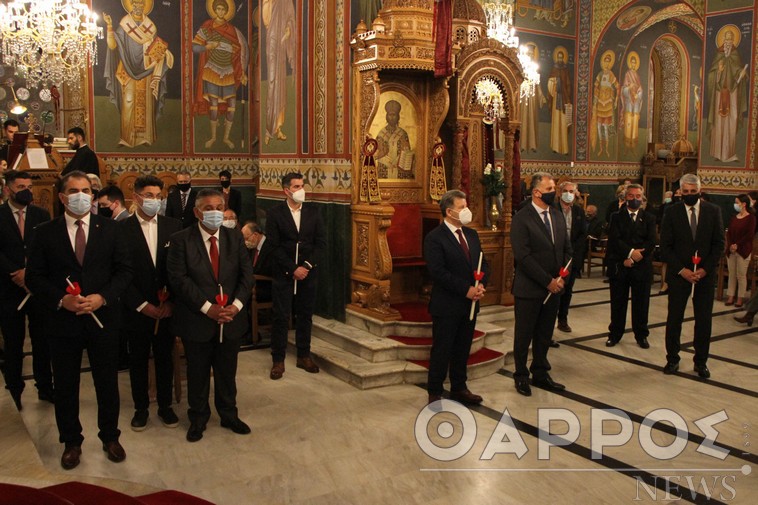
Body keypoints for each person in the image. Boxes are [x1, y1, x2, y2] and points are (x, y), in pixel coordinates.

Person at [26, 171, 133, 470]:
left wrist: (103, 297)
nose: (82, 195)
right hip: (63, 322)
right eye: (74, 191)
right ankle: (71, 442)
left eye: (86, 190)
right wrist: (62, 299)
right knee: (66, 385)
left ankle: (110, 437)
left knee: (106, 383)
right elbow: (34, 277)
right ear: (62, 197)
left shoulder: (110, 229)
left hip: (102, 319)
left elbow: (125, 271)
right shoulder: (44, 232)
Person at [166, 189, 254, 442]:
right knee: (198, 372)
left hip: (231, 318)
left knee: (227, 372)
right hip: (197, 320)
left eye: (219, 208)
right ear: (197, 212)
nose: (215, 212)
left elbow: (246, 275)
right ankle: (198, 418)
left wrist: (236, 306)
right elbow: (179, 279)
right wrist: (207, 308)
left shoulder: (234, 237)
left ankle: (229, 414)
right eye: (208, 208)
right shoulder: (181, 240)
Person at [121, 175, 182, 432]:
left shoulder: (173, 226)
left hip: (166, 308)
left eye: (158, 196)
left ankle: (165, 406)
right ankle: (141, 408)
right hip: (137, 309)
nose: (154, 201)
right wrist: (141, 304)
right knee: (137, 359)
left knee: (165, 358)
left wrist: (172, 303)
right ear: (136, 197)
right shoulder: (121, 229)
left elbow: (179, 269)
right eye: (149, 196)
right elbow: (120, 273)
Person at [424, 190, 489, 405]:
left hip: (470, 304)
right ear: (449, 212)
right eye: (462, 207)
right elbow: (438, 272)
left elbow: (482, 263)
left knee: (463, 348)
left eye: (466, 206)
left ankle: (459, 387)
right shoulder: (435, 237)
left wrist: (481, 285)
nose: (466, 210)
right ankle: (435, 390)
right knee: (442, 349)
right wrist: (465, 289)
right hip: (447, 304)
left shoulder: (472, 234)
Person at [511, 173, 572, 397]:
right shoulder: (522, 218)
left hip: (555, 287)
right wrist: (547, 281)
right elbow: (523, 256)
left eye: (554, 188)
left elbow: (566, 249)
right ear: (536, 192)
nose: (554, 192)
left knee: (545, 333)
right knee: (524, 334)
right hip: (530, 288)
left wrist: (562, 277)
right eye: (549, 189)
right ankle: (521, 374)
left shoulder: (556, 215)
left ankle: (540, 371)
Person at [659, 174, 725, 379]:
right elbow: (665, 247)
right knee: (674, 319)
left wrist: (705, 269)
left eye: (693, 191)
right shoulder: (671, 212)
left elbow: (719, 244)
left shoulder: (713, 211)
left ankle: (701, 361)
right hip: (679, 275)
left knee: (704, 320)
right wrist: (682, 270)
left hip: (704, 276)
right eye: (686, 192)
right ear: (680, 192)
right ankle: (672, 359)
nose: (689, 195)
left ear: (699, 191)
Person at [0, 171, 53, 410]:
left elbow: (46, 248)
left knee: (42, 340)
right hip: (8, 287)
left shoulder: (41, 215)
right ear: (8, 189)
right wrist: (15, 272)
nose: (27, 191)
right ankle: (15, 388)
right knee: (13, 342)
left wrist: (29, 273)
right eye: (21, 186)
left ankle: (45, 386)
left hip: (37, 288)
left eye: (29, 187)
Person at [266, 172, 326, 380]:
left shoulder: (313, 212)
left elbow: (320, 243)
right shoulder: (275, 213)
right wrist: (292, 268)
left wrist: (306, 266)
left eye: (302, 185)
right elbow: (273, 246)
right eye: (297, 186)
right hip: (284, 273)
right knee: (281, 316)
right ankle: (278, 360)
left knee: (305, 315)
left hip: (308, 273)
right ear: (287, 190)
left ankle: (304, 355)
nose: (301, 190)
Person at [103, 0, 174, 147]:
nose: (137, 7)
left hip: (147, 70)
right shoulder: (124, 25)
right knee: (128, 103)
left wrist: (161, 53)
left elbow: (155, 48)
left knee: (146, 103)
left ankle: (146, 138)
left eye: (140, 4)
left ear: (144, 6)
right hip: (128, 70)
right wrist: (109, 26)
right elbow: (113, 46)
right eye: (134, 3)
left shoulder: (150, 27)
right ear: (131, 5)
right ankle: (126, 138)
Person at [605, 184, 656, 348]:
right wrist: (629, 253)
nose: (635, 199)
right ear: (625, 197)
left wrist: (637, 256)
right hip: (621, 264)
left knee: (641, 303)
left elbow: (651, 241)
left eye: (638, 196)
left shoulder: (649, 218)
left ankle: (641, 335)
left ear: (642, 198)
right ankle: (615, 334)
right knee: (618, 302)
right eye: (631, 196)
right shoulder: (616, 217)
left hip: (642, 266)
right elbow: (614, 239)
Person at [193, 0, 249, 149]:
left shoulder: (232, 30)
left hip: (228, 71)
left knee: (232, 106)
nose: (221, 12)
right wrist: (207, 46)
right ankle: (213, 137)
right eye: (218, 9)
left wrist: (242, 72)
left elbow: (239, 54)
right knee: (214, 105)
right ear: (214, 10)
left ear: (226, 12)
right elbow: (194, 47)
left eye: (223, 9)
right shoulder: (207, 27)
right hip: (212, 71)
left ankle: (226, 138)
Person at [706, 25, 748, 162]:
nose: (728, 41)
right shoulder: (718, 54)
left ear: (733, 41)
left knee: (732, 120)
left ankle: (729, 154)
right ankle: (718, 153)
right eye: (727, 38)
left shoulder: (735, 55)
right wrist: (718, 71)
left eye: (731, 39)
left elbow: (738, 71)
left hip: (732, 92)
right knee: (718, 123)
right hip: (719, 93)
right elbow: (711, 75)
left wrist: (741, 74)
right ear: (723, 40)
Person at [262, 0, 296, 145]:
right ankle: (269, 128)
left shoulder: (286, 2)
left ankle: (279, 127)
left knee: (281, 86)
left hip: (281, 44)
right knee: (272, 83)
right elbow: (266, 20)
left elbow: (291, 19)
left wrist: (288, 29)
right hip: (272, 42)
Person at [555, 181, 586, 334]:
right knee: (555, 290)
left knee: (567, 290)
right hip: (556, 256)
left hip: (571, 257)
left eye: (571, 191)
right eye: (566, 191)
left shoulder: (579, 211)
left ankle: (563, 319)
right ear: (560, 193)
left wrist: (574, 255)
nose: (568, 194)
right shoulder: (553, 209)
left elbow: (582, 235)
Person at [724, 194, 755, 307]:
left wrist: (737, 245)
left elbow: (749, 234)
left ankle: (740, 298)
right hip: (732, 250)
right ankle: (730, 296)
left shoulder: (751, 218)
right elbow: (729, 233)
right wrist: (731, 245)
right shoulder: (734, 217)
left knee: (741, 275)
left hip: (743, 249)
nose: (735, 204)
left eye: (737, 202)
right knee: (732, 274)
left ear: (744, 204)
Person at [375, 100, 414, 179]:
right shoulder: (381, 134)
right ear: (387, 116)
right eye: (390, 115)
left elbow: (407, 154)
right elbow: (376, 153)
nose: (392, 117)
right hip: (384, 169)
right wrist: (385, 159)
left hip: (399, 170)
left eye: (394, 115)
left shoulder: (403, 134)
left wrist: (398, 160)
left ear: (398, 116)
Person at [519, 43, 546, 153]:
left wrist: (541, 96)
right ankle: (522, 144)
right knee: (522, 120)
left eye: (532, 54)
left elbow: (538, 85)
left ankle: (532, 144)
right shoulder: (520, 68)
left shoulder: (535, 70)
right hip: (523, 97)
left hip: (533, 98)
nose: (530, 55)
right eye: (528, 53)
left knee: (532, 120)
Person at [591, 50, 619, 158]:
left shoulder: (611, 75)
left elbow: (618, 87)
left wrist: (616, 99)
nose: (607, 64)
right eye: (605, 61)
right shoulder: (600, 74)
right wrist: (595, 100)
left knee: (605, 127)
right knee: (598, 127)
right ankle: (600, 149)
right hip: (599, 104)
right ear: (603, 62)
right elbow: (596, 87)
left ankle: (606, 149)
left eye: (608, 61)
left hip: (607, 104)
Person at [547, 47, 572, 155]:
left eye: (562, 57)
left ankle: (564, 149)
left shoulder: (565, 70)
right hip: (556, 98)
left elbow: (568, 84)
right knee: (556, 123)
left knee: (564, 123)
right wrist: (554, 82)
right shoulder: (554, 69)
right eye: (559, 57)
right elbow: (550, 83)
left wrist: (567, 95)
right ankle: (555, 147)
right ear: (556, 58)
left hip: (564, 98)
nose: (560, 59)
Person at [620, 52, 643, 155]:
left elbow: (640, 88)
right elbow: (624, 89)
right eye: (632, 62)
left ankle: (633, 146)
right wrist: (629, 88)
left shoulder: (637, 76)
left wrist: (638, 94)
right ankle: (626, 146)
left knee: (634, 125)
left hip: (636, 104)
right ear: (630, 63)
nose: (633, 64)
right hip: (629, 103)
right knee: (628, 124)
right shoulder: (627, 74)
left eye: (635, 63)